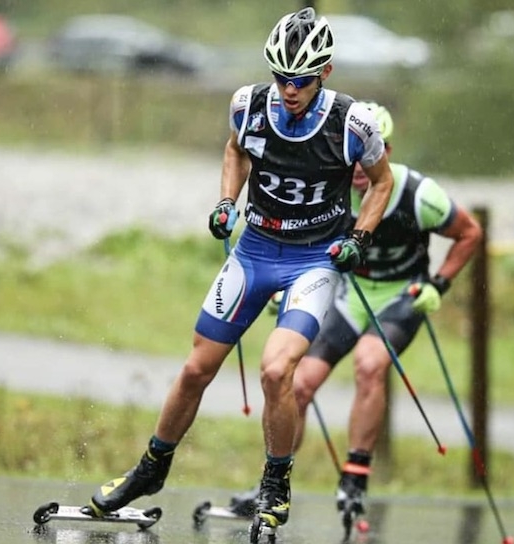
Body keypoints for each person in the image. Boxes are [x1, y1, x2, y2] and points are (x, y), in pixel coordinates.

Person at [87, 7, 395, 530]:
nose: (288, 89)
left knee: (277, 370)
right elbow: (235, 152)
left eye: (299, 80)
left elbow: (381, 182)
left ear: (325, 72)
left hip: (312, 263)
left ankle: (275, 485)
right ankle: (151, 467)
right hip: (253, 252)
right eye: (280, 76)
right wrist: (226, 201)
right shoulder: (247, 105)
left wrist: (359, 238)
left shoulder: (353, 123)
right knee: (195, 369)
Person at [228, 101, 483, 520]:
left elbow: (469, 233)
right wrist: (288, 287)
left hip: (401, 294)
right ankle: (272, 485)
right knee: (301, 381)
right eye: (352, 152)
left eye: (370, 152)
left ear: (388, 149)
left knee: (369, 363)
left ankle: (355, 478)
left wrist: (439, 283)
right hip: (350, 293)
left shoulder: (419, 194)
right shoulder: (330, 186)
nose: (359, 168)